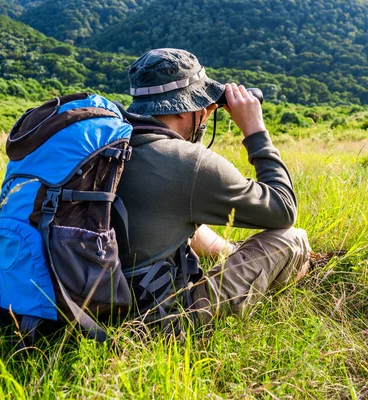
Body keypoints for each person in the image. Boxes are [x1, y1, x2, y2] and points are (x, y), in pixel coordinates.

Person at [116, 48, 311, 328]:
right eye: (203, 105)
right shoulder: (189, 163)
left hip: (88, 302)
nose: (207, 114)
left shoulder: (112, 145)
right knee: (291, 239)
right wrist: (255, 132)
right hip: (157, 320)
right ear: (185, 111)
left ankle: (228, 253)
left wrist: (230, 251)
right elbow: (283, 209)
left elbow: (180, 222)